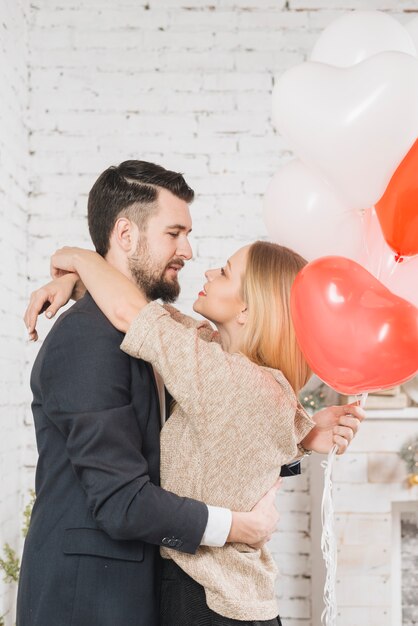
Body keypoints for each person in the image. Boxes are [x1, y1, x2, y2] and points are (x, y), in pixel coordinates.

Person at [25, 233, 365, 624]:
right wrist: (75, 282)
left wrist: (79, 259)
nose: (207, 269)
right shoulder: (230, 366)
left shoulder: (224, 377)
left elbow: (130, 312)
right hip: (232, 600)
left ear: (246, 310)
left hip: (205, 602)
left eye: (225, 272)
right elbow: (151, 311)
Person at [17, 162, 290, 626]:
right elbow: (122, 501)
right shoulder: (89, 338)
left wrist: (78, 271)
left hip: (141, 595)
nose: (187, 249)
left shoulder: (156, 335)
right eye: (174, 232)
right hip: (89, 603)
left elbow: (218, 439)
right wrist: (235, 526)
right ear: (126, 235)